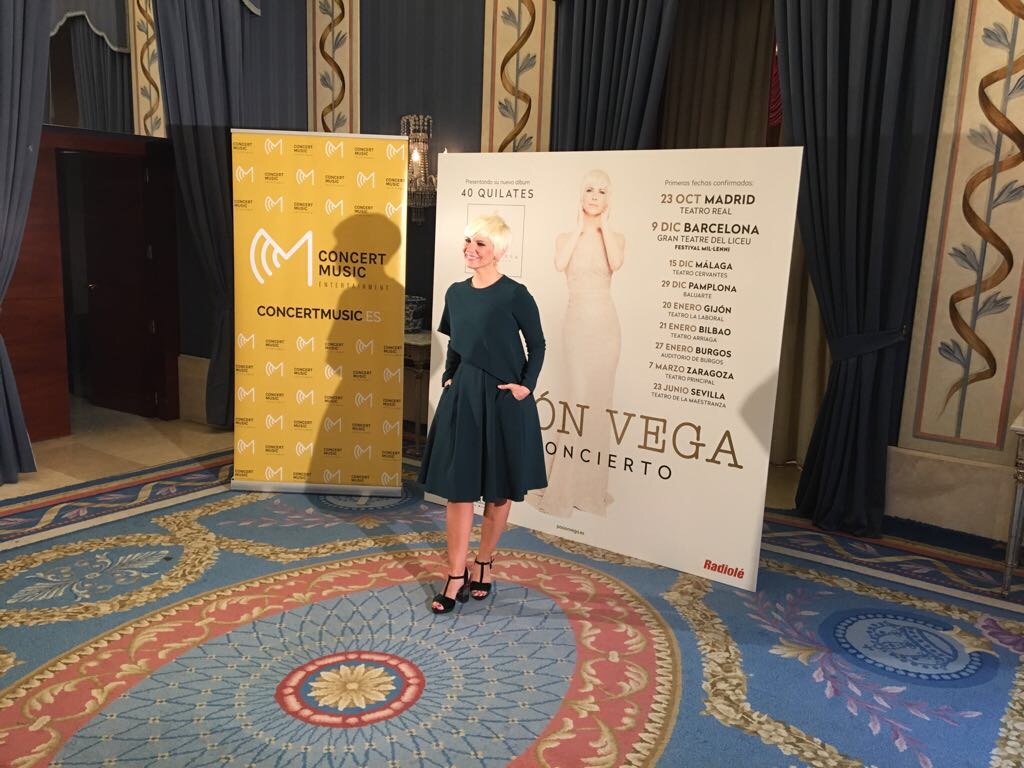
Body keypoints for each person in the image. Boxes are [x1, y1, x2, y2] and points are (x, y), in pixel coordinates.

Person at [418, 214, 548, 613]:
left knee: (499, 489)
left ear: (499, 251)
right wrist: (450, 375)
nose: (470, 250)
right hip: (465, 397)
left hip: (504, 399)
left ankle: (484, 562)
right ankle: (456, 574)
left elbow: (538, 344)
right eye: (468, 242)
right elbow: (457, 341)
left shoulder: (515, 294)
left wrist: (526, 385)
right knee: (458, 490)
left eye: (480, 244)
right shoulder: (456, 293)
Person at [536, 169, 624, 518]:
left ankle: (589, 490)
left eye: (602, 191)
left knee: (600, 404)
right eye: (589, 189)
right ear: (581, 195)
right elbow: (560, 264)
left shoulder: (616, 238)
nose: (594, 196)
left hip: (607, 327)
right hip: (576, 325)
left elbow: (616, 263)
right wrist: (579, 229)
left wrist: (603, 228)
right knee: (578, 399)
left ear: (608, 199)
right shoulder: (564, 237)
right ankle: (564, 487)